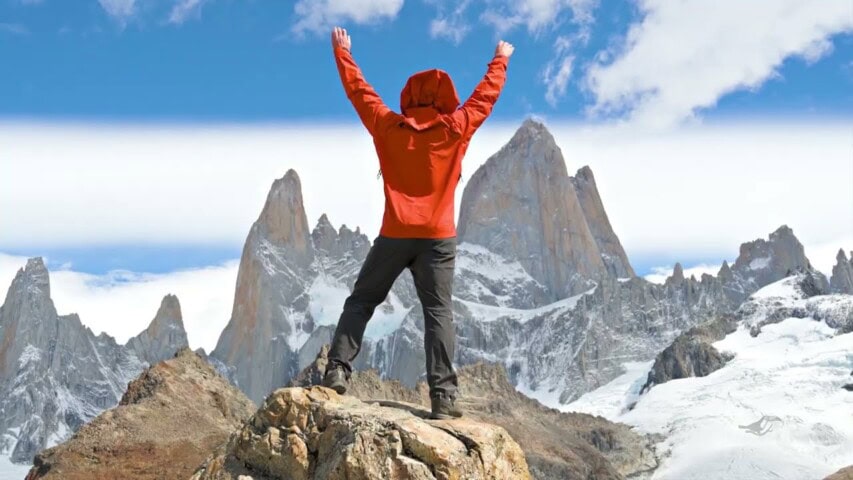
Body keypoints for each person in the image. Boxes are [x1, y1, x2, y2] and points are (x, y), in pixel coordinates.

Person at [323, 26, 514, 420]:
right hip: (439, 239)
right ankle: (443, 399)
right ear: (446, 99)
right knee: (438, 313)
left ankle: (337, 370)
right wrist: (500, 59)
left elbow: (359, 92)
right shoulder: (455, 128)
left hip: (395, 232)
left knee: (362, 300)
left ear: (408, 98)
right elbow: (485, 98)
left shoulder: (388, 126)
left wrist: (343, 52)